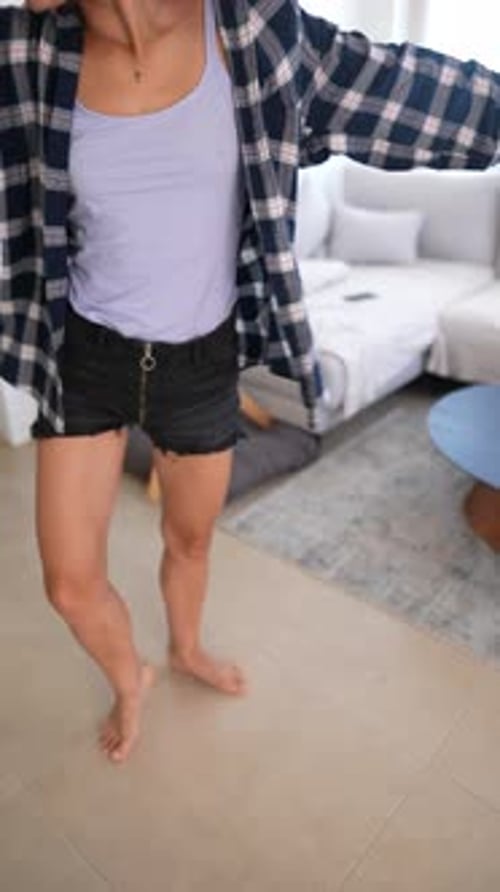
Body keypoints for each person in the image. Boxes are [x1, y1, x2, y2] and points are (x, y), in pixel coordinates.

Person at [1, 0, 499, 764]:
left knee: (189, 540)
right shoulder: (24, 50)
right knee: (70, 584)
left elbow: (411, 92)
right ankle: (128, 676)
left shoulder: (254, 32)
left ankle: (187, 648)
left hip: (203, 363)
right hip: (86, 357)